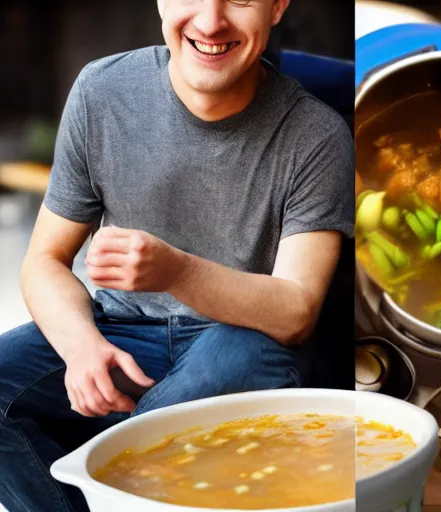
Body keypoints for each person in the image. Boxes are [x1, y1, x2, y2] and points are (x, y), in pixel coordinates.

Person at [0, 0, 353, 510]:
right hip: (118, 331)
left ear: (277, 7)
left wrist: (175, 270)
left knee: (232, 370)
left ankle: (121, 461)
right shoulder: (102, 92)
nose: (210, 23)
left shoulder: (316, 135)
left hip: (239, 341)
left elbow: (295, 310)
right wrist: (80, 348)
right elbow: (45, 261)